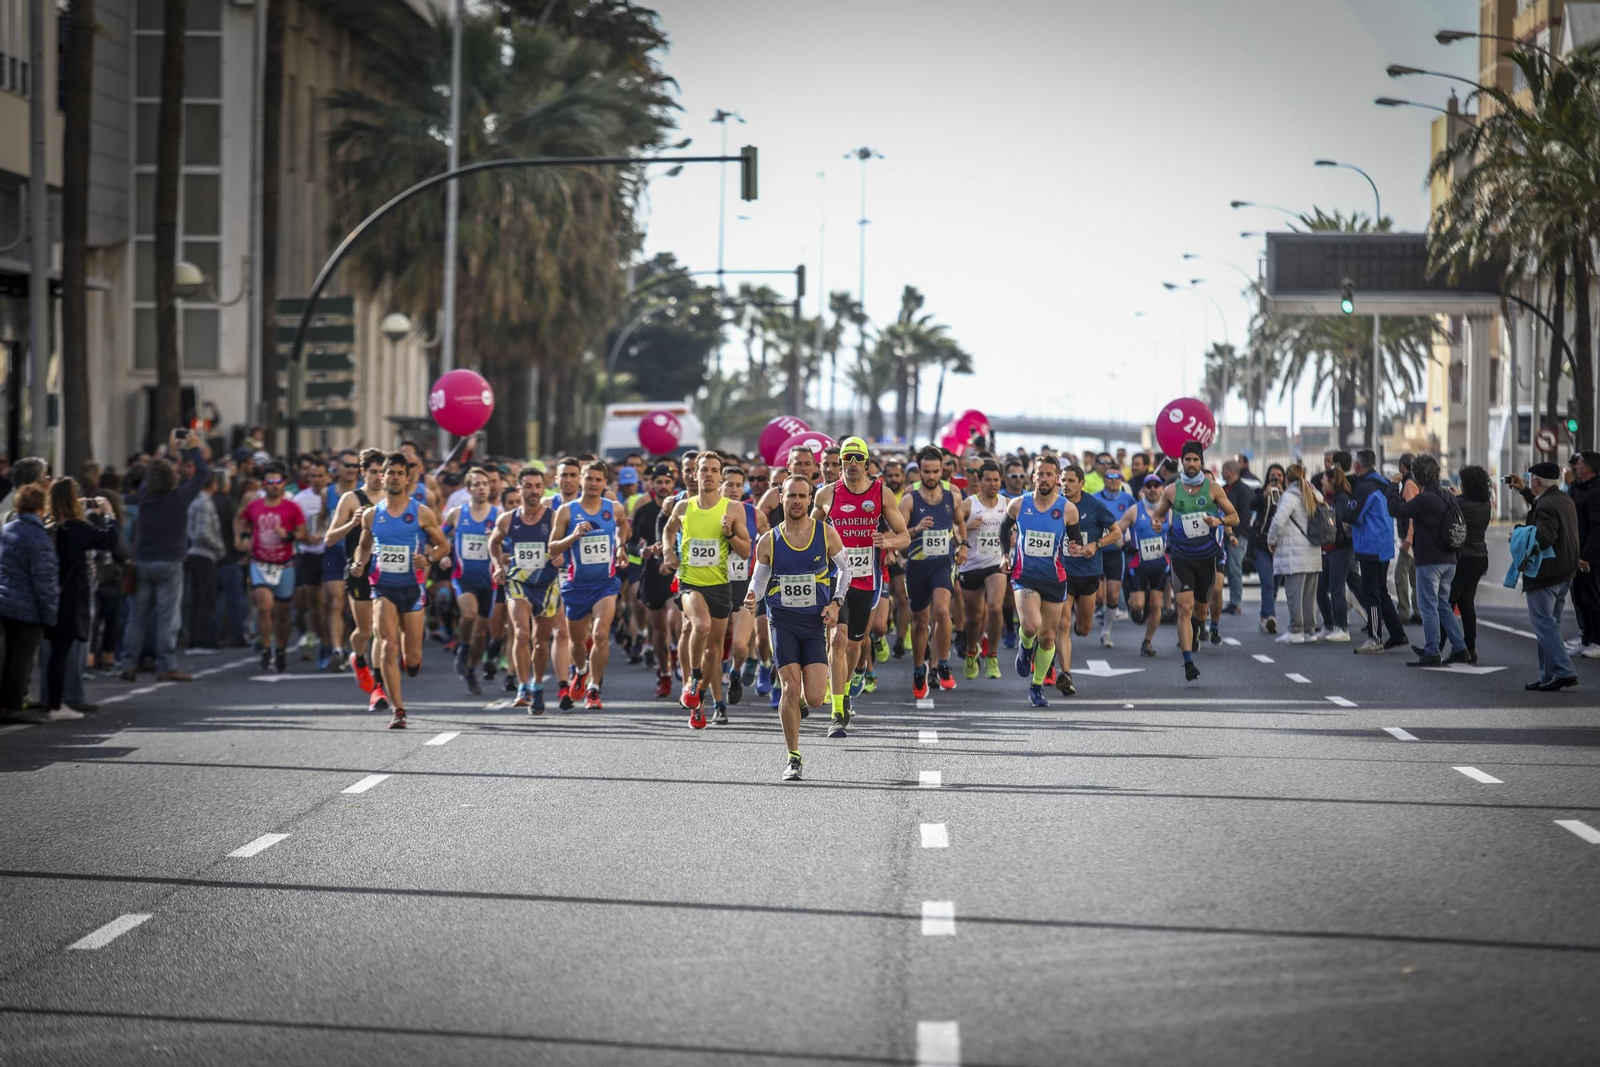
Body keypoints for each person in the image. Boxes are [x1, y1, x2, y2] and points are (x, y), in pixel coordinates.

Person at [745, 475, 849, 780]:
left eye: (803, 496)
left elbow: (846, 569)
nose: (797, 502)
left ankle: (805, 702)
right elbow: (759, 581)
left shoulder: (825, 534)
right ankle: (793, 757)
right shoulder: (770, 540)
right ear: (781, 498)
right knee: (790, 689)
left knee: (815, 698)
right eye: (791, 496)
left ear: (810, 499)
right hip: (783, 620)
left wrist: (836, 603)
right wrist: (752, 596)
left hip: (815, 622)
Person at [815, 437, 910, 734]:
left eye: (858, 459)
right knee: (837, 641)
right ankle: (837, 710)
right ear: (840, 462)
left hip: (867, 578)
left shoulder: (882, 493)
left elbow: (904, 536)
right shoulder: (826, 494)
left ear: (868, 464)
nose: (852, 464)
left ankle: (845, 687)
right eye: (847, 458)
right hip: (834, 580)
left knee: (855, 646)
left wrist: (888, 541)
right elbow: (807, 533)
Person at [352, 452, 452, 727]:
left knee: (412, 657)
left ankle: (411, 663)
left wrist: (429, 558)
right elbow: (363, 544)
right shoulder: (372, 515)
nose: (394, 477)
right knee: (387, 645)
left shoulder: (421, 512)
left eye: (399, 473)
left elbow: (443, 545)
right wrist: (360, 564)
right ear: (381, 477)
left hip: (413, 588)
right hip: (382, 587)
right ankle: (398, 709)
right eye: (390, 473)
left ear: (407, 478)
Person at [119, 430, 209, 682]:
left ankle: (128, 663)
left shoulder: (145, 497)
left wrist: (170, 451)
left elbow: (153, 475)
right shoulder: (179, 497)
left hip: (143, 561)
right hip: (170, 562)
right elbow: (202, 475)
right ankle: (166, 665)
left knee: (138, 616)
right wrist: (193, 449)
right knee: (167, 617)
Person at [1146, 441, 1239, 681]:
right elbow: (1156, 516)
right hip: (1181, 557)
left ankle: (1199, 626)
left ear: (1201, 462)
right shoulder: (1172, 490)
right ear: (1182, 462)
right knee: (1184, 609)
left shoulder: (1213, 489)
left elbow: (1234, 517)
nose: (1191, 464)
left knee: (1200, 610)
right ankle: (1188, 662)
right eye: (1187, 459)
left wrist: (1219, 522)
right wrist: (1156, 522)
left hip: (1207, 558)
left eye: (1195, 460)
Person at [548, 460, 630, 712]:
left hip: (605, 584)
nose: (594, 484)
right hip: (576, 586)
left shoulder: (613, 508)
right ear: (581, 480)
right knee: (577, 641)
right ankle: (581, 671)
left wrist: (621, 546)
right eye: (589, 479)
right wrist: (573, 536)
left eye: (599, 480)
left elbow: (623, 526)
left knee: (601, 634)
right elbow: (552, 548)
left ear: (605, 483)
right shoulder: (566, 511)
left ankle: (594, 688)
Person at [1002, 453, 1080, 706]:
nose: (1044, 478)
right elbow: (1004, 529)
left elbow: (1075, 538)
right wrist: (1005, 555)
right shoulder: (1018, 504)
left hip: (1055, 579)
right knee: (1031, 626)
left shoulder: (1067, 509)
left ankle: (1036, 687)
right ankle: (1025, 647)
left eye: (1049, 474)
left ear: (1057, 479)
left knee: (1048, 637)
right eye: (1040, 474)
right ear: (1033, 476)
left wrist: (1077, 547)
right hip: (1025, 576)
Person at [1383, 454, 1469, 667]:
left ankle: (1432, 651)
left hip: (1430, 559)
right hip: (1450, 558)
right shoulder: (1448, 495)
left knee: (1428, 606)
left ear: (1418, 475)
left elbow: (1396, 510)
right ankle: (1459, 648)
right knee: (1443, 605)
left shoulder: (1425, 499)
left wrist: (1393, 487)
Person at [43, 480, 119, 717]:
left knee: (53, 650)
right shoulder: (77, 527)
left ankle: (51, 700)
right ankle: (57, 705)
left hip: (50, 593)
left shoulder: (50, 525)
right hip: (72, 594)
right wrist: (109, 513)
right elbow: (109, 540)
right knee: (64, 650)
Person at [490, 466, 561, 711]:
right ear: (519, 488)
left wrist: (562, 557)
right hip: (518, 581)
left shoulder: (553, 517)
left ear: (543, 488)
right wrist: (498, 565)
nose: (533, 491)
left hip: (546, 584)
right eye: (528, 486)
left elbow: (568, 544)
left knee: (540, 642)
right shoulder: (508, 519)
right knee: (520, 633)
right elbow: (494, 542)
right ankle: (522, 686)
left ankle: (537, 686)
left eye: (538, 486)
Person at [901, 446, 967, 698]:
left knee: (941, 610)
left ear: (943, 470)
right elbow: (898, 534)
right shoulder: (909, 499)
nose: (931, 476)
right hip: (918, 567)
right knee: (919, 624)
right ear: (919, 472)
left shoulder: (953, 496)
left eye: (935, 471)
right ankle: (919, 670)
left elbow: (960, 522)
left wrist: (964, 546)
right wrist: (916, 529)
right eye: (926, 472)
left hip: (943, 563)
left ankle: (944, 665)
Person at [1509, 462, 1580, 691]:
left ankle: (1564, 670)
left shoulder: (1548, 504)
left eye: (1530, 479)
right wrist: (1524, 492)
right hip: (1564, 571)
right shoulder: (1561, 498)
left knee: (1544, 625)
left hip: (1546, 574)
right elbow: (1541, 506)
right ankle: (1548, 675)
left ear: (1537, 481)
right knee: (1551, 625)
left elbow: (1544, 536)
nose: (1529, 481)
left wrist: (1519, 535)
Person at [326, 449, 386, 709]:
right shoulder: (351, 499)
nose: (378, 477)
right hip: (358, 570)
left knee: (380, 630)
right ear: (363, 472)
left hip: (386, 572)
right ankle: (358, 659)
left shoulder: (392, 500)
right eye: (373, 471)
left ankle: (379, 688)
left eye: (383, 472)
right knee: (364, 630)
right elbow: (329, 539)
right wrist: (353, 522)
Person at [235, 462, 308, 673]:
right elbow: (242, 521)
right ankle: (267, 649)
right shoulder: (255, 506)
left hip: (285, 564)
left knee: (283, 613)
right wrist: (244, 538)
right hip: (260, 562)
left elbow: (303, 534)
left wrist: (290, 535)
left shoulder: (292, 508)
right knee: (265, 606)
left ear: (284, 483)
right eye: (269, 481)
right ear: (263, 484)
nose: (274, 485)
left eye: (278, 481)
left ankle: (281, 649)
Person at [0, 486, 58, 721]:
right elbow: (44, 580)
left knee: (5, 658)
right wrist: (50, 613)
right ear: (41, 509)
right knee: (21, 661)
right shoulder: (39, 537)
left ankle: (4, 704)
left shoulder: (6, 530)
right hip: (28, 607)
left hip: (4, 601)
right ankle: (14, 706)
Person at [1344, 449, 1409, 655]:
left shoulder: (1364, 487)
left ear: (1358, 466)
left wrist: (1348, 519)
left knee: (1370, 592)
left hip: (1369, 543)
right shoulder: (1383, 483)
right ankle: (1397, 634)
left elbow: (1352, 514)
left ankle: (1375, 638)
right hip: (1384, 543)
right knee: (1381, 590)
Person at [442, 467, 500, 697]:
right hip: (462, 577)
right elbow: (440, 537)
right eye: (476, 484)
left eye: (485, 484)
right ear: (468, 489)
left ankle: (470, 670)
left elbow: (507, 548)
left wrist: (497, 546)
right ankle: (462, 649)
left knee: (481, 634)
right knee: (468, 615)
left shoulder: (498, 516)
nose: (481, 488)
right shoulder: (457, 514)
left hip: (489, 581)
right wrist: (444, 556)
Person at [1267, 464, 1328, 643]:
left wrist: (1271, 541)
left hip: (1294, 555)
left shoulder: (1290, 496)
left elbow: (1278, 522)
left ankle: (1295, 630)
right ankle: (1309, 631)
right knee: (1310, 596)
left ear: (1287, 478)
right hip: (1313, 552)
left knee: (1294, 595)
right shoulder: (1315, 494)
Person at [957, 459, 1006, 680]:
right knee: (974, 617)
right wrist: (966, 527)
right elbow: (952, 529)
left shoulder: (1007, 504)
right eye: (989, 479)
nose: (993, 484)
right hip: (972, 565)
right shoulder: (969, 504)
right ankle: (970, 652)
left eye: (996, 480)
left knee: (995, 608)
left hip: (996, 565)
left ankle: (993, 656)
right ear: (980, 480)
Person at [1111, 474, 1168, 657]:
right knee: (1138, 606)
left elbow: (1179, 534)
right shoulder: (1135, 511)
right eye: (1149, 486)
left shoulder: (1170, 512)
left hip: (1160, 565)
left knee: (1156, 603)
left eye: (1156, 486)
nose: (1152, 489)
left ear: (1162, 489)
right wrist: (1123, 546)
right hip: (1138, 565)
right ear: (1143, 490)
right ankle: (1133, 605)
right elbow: (1116, 531)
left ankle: (1147, 641)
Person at [1448, 465, 1492, 665]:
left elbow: (1454, 521)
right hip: (1480, 556)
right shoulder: (1486, 503)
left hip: (1462, 557)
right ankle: (1470, 647)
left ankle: (1440, 646)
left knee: (1447, 602)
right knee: (1467, 601)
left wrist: (1454, 498)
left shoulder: (1459, 503)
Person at [183, 473, 226, 654]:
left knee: (199, 598)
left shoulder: (198, 502)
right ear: (213, 484)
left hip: (198, 554)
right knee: (204, 599)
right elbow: (202, 533)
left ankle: (196, 639)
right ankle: (200, 640)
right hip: (202, 555)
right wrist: (220, 548)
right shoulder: (204, 503)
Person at [1567, 451, 1600, 659]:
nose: (1574, 467)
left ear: (1587, 467)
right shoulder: (1580, 489)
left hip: (1590, 556)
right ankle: (1586, 638)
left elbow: (1597, 528)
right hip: (1577, 553)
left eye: (1578, 464)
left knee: (1592, 597)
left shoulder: (1595, 492)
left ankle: (1597, 640)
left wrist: (1585, 555)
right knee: (1579, 597)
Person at [1249, 465, 1284, 634]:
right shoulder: (1261, 492)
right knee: (1267, 581)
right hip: (1261, 545)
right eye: (1272, 476)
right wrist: (1265, 493)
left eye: (1279, 475)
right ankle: (1271, 616)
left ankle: (1264, 616)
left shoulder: (1288, 495)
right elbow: (1252, 505)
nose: (1276, 478)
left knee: (1275, 586)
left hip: (1280, 546)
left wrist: (1283, 494)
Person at [1220, 460, 1254, 615]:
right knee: (1229, 568)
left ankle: (1236, 602)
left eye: (1224, 469)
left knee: (1235, 568)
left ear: (1230, 471)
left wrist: (1236, 533)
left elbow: (1246, 515)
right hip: (1225, 534)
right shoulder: (1225, 488)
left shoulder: (1243, 490)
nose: (1222, 472)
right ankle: (1232, 601)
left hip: (1237, 535)